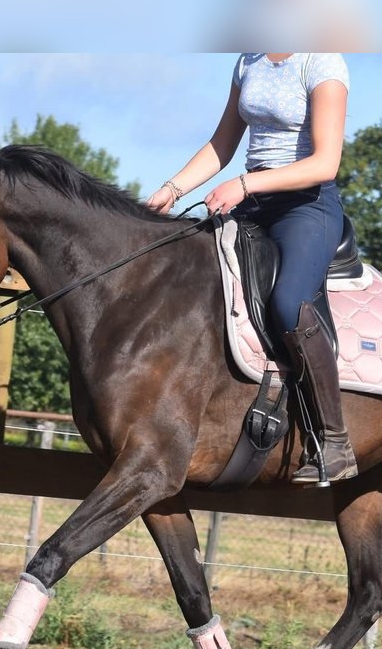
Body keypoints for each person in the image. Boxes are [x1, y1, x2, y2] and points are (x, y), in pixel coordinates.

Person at [147, 52, 356, 484]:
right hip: (252, 203)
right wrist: (173, 187)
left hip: (306, 207)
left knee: (287, 302)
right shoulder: (248, 61)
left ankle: (335, 442)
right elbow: (222, 144)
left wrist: (245, 184)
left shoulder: (322, 63)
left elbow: (325, 162)